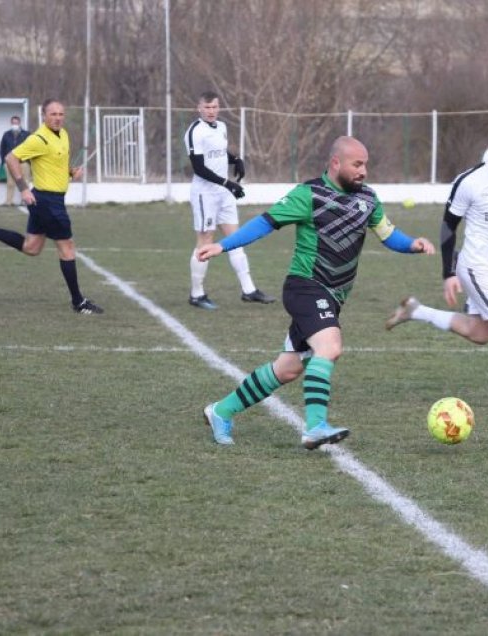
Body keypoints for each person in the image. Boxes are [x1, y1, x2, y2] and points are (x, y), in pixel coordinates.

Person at [196, 135, 435, 448]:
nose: (364, 171)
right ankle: (315, 426)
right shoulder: (309, 194)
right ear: (336, 163)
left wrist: (413, 245)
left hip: (333, 297)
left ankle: (221, 411)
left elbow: (389, 235)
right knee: (330, 346)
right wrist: (222, 245)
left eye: (366, 164)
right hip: (305, 286)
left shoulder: (368, 199)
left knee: (288, 369)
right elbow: (265, 222)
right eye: (357, 164)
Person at [386, 120, 488, 411]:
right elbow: (448, 227)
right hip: (474, 266)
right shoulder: (470, 181)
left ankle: (416, 310)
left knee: (481, 333)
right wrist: (449, 272)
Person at [0, 99, 103, 315]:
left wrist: (70, 172)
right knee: (67, 247)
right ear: (44, 115)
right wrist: (23, 188)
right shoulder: (38, 139)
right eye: (53, 114)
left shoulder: (63, 135)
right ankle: (78, 302)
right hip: (47, 201)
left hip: (51, 200)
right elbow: (10, 158)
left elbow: (54, 163)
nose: (58, 117)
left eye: (61, 113)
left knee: (31, 247)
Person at [184, 90, 274, 309]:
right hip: (205, 194)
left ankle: (249, 290)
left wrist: (237, 160)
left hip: (223, 194)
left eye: (214, 107)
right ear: (199, 108)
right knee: (205, 242)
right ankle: (196, 295)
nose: (211, 111)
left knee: (236, 239)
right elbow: (199, 168)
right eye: (207, 107)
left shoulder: (221, 127)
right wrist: (228, 183)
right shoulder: (194, 132)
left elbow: (220, 153)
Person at [0, 115, 30, 206]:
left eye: (16, 123)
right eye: (13, 123)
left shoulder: (26, 134)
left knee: (25, 182)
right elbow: (2, 148)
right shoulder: (6, 134)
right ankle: (8, 201)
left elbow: (30, 148)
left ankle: (25, 201)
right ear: (11, 123)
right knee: (10, 183)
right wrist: (4, 160)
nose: (15, 124)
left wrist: (28, 160)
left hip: (23, 162)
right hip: (9, 163)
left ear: (19, 123)